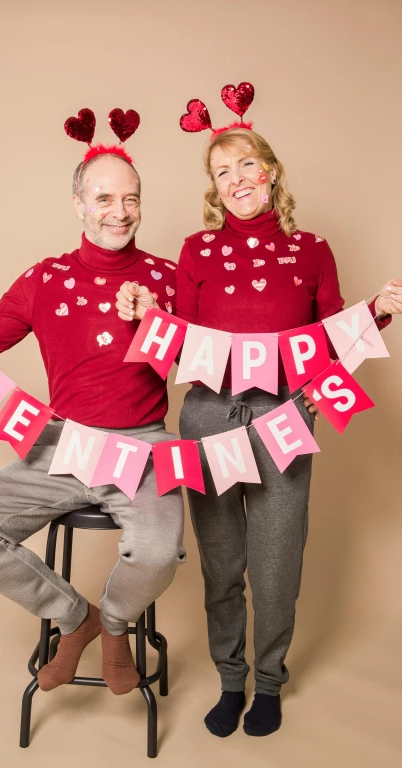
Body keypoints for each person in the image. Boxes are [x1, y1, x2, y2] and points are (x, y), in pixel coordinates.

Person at [116, 126, 401, 733]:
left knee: (276, 564)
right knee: (222, 565)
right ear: (215, 189)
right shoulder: (197, 250)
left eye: (246, 165)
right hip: (207, 418)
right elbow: (182, 347)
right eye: (222, 172)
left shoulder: (314, 250)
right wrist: (148, 319)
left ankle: (268, 683)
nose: (237, 178)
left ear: (270, 171)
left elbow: (330, 345)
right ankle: (230, 678)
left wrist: (376, 314)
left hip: (284, 420)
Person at [0, 150, 186, 696]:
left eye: (130, 199)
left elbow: (204, 363)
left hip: (143, 448)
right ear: (78, 205)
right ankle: (76, 618)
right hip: (60, 445)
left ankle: (117, 626)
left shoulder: (169, 279)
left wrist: (156, 322)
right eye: (103, 199)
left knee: (158, 551)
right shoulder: (44, 279)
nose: (118, 212)